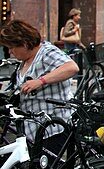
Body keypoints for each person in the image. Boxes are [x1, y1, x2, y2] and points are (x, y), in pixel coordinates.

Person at [0, 19, 80, 160]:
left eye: (12, 47)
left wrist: (41, 81)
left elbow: (71, 67)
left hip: (53, 128)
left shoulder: (46, 53)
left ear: (24, 43)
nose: (10, 52)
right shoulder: (25, 61)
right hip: (34, 130)